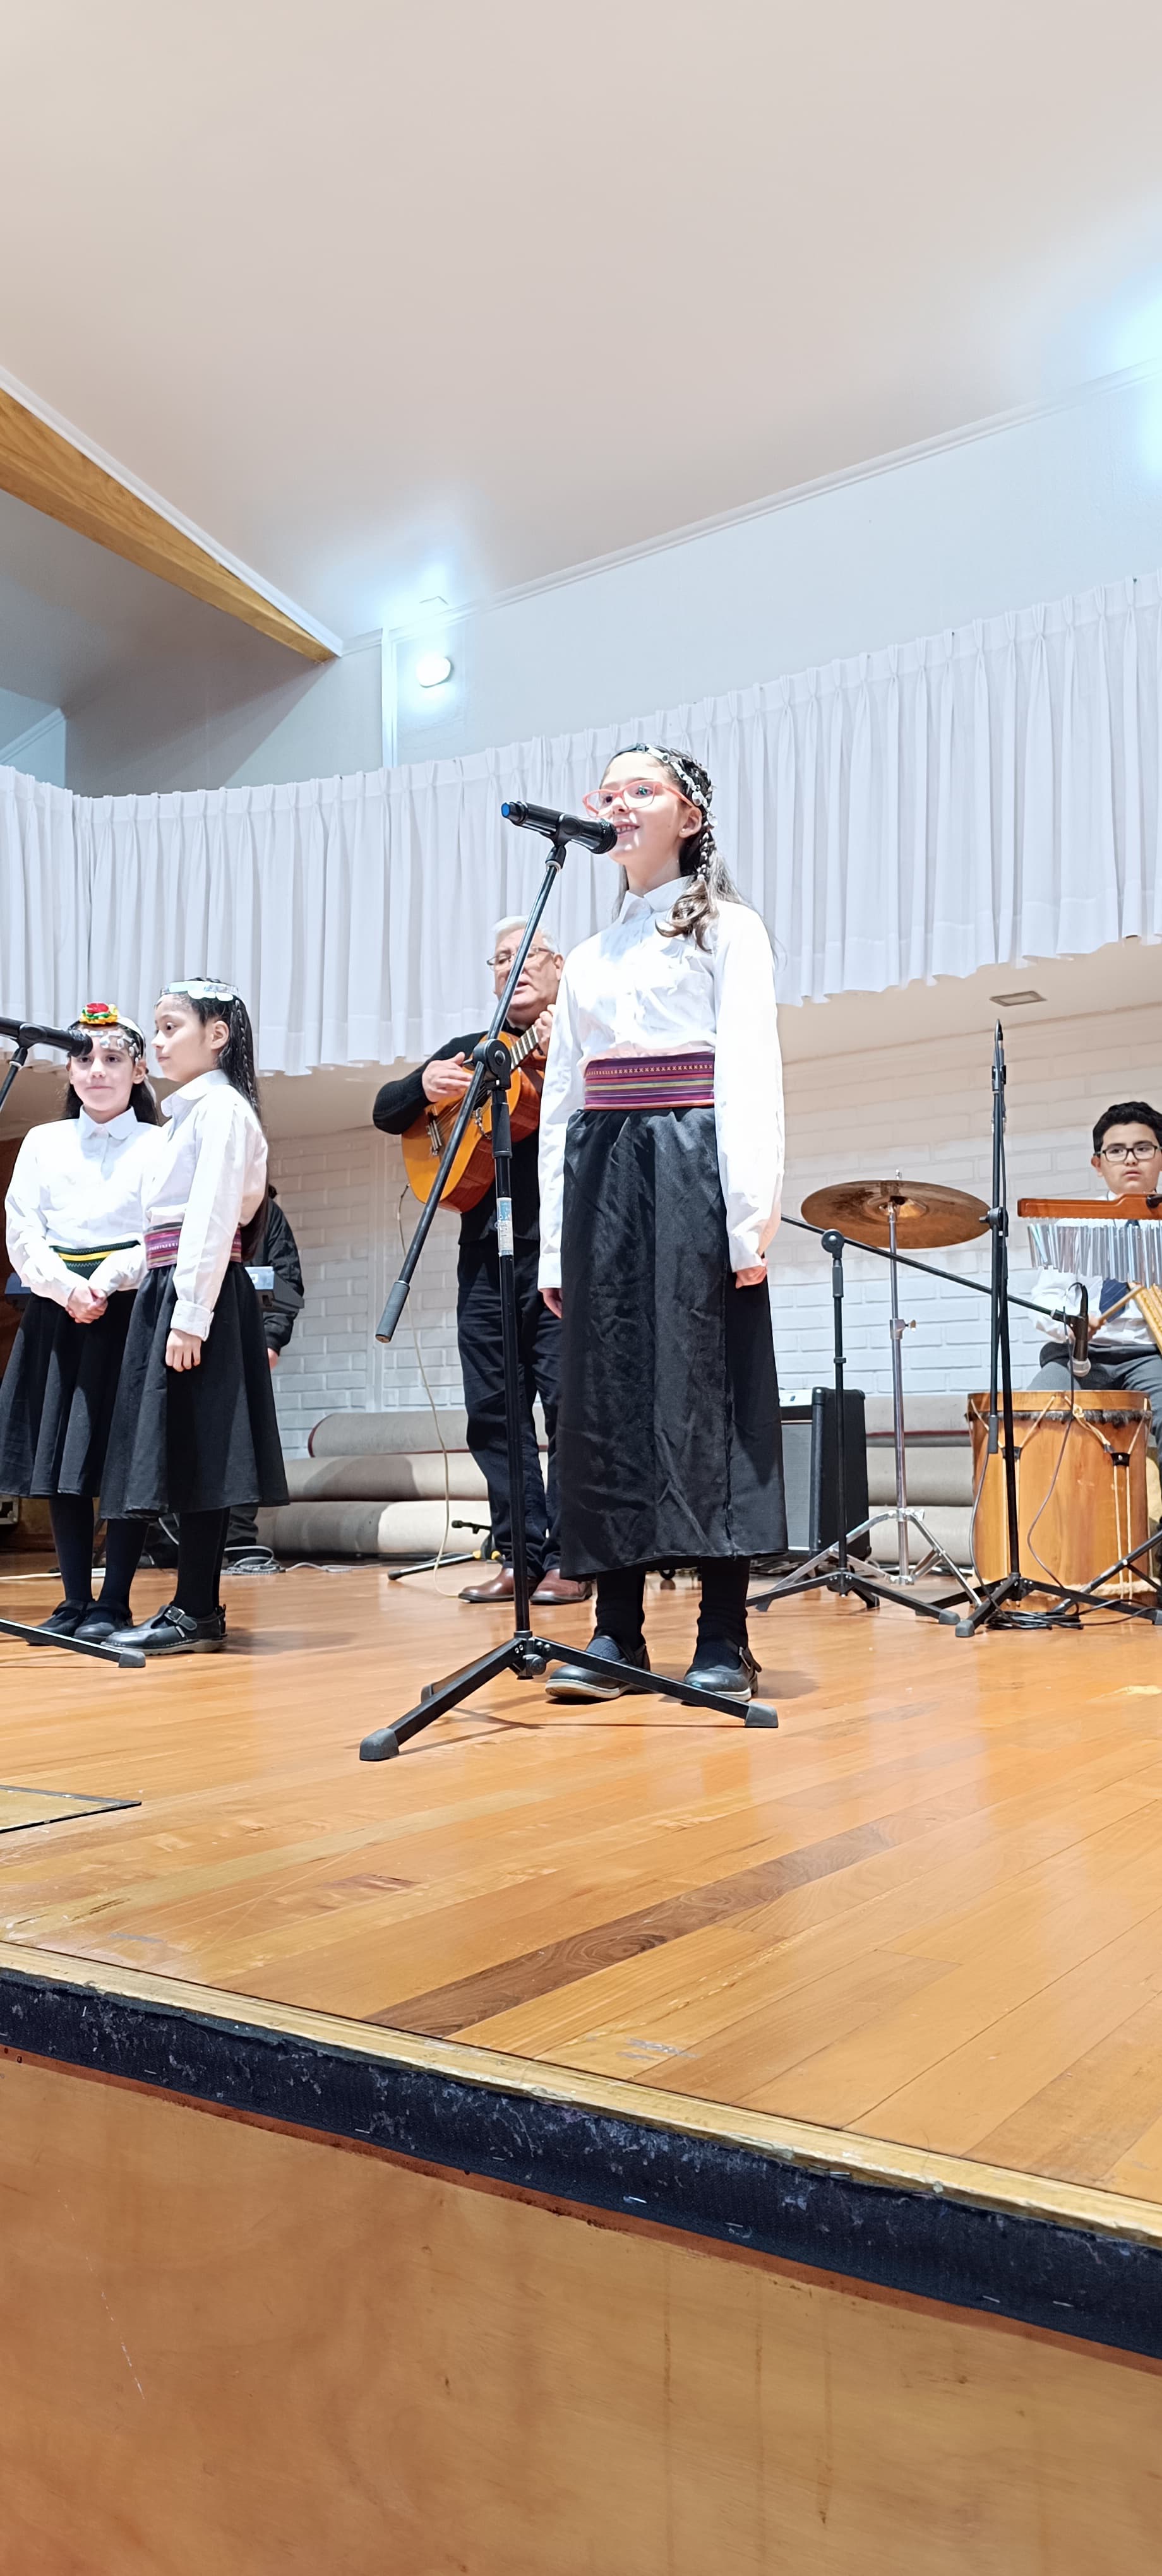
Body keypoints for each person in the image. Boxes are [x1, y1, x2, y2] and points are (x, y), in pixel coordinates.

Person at [537, 745, 786, 1703]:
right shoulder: (587, 957)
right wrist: (556, 1243)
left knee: (707, 1394)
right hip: (603, 1171)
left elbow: (750, 1074)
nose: (618, 804)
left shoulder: (729, 928)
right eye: (607, 793)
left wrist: (747, 1217)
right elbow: (562, 1104)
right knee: (604, 1402)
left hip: (693, 1163)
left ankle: (723, 1633)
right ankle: (617, 1632)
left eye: (641, 790)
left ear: (689, 816)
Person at [373, 919, 590, 1606]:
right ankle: (519, 1556)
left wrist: (567, 1054)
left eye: (527, 955)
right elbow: (387, 1112)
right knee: (493, 1411)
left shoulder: (583, 1037)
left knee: (567, 1407)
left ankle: (573, 1560)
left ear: (559, 967)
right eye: (500, 959)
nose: (512, 967)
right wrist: (422, 1083)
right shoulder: (473, 1052)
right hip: (486, 1257)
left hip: (563, 1256)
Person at [101, 979, 289, 1655]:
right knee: (182, 1444)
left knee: (206, 1448)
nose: (157, 1041)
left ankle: (197, 1608)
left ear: (217, 1035)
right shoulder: (181, 1117)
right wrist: (113, 1278)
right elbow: (156, 1231)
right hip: (171, 1286)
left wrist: (192, 1315)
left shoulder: (222, 1111)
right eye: (156, 1028)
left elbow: (211, 1220)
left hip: (197, 1290)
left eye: (171, 1026)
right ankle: (194, 1609)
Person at [0, 1002, 160, 1639]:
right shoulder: (44, 1142)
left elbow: (162, 1233)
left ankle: (114, 1600)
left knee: (124, 1458)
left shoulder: (160, 1143)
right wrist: (67, 1288)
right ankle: (72, 1599)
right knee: (61, 1457)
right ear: (68, 1071)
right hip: (58, 1307)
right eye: (85, 1059)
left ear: (139, 1071)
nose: (97, 1070)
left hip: (127, 1309)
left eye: (113, 1059)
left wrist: (108, 1279)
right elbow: (22, 1228)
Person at [1031, 1100, 1162, 1418]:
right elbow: (1045, 1298)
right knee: (1033, 1415)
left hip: (1151, 1355)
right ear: (1098, 1164)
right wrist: (1073, 1321)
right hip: (1080, 1354)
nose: (1130, 1159)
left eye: (1143, 1148)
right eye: (1116, 1151)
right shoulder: (1074, 1225)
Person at [223, 1184, 304, 1568]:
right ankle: (162, 1541)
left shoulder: (267, 1214)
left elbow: (286, 1279)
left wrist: (272, 1340)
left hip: (243, 1344)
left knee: (242, 1442)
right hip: (185, 1343)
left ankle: (238, 1540)